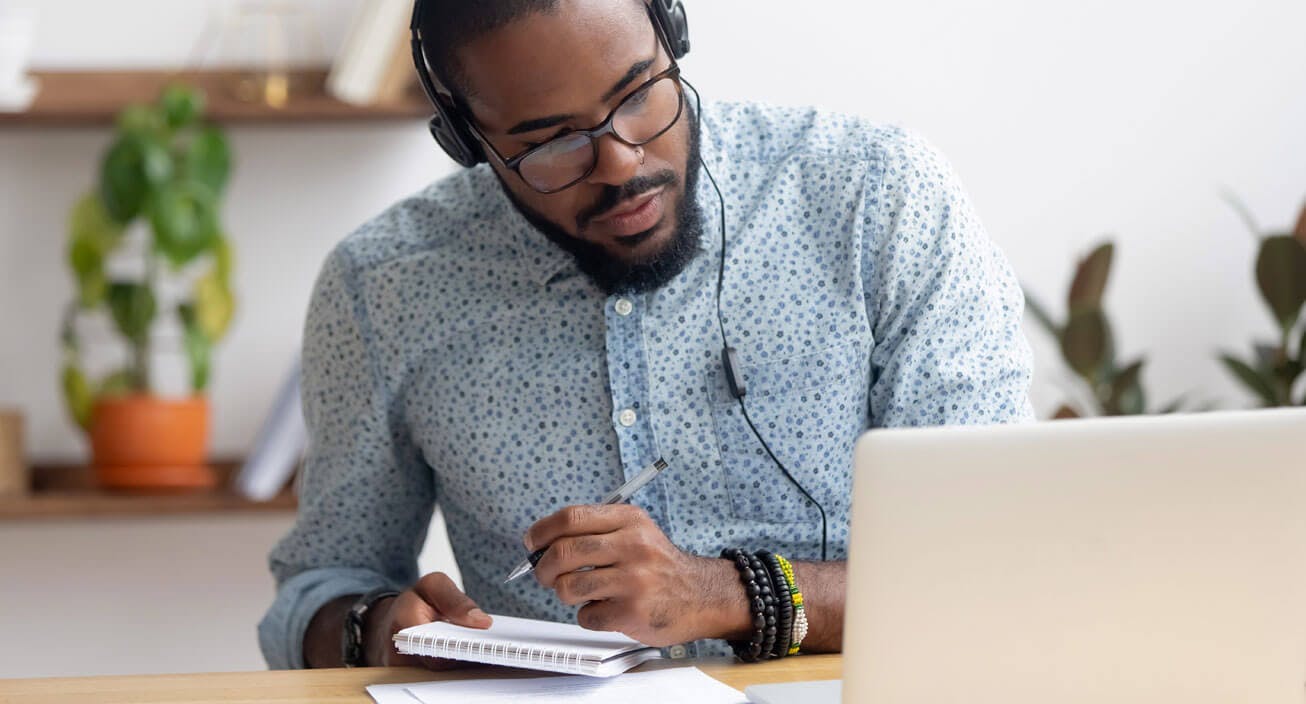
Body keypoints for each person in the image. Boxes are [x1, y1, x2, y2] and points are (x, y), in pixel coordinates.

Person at [258, 0, 1033, 670]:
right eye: (549, 142)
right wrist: (376, 630)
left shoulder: (878, 197)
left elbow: (995, 567)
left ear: (673, 33)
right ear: (468, 142)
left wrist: (724, 594)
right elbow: (318, 589)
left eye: (639, 94)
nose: (622, 162)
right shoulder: (383, 285)